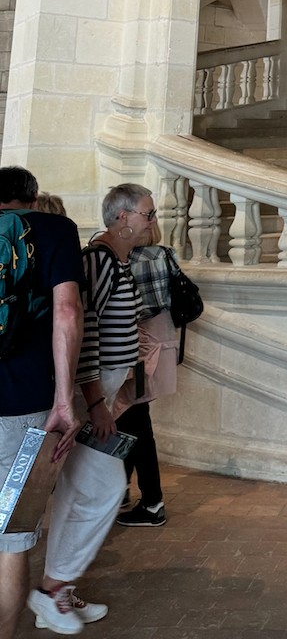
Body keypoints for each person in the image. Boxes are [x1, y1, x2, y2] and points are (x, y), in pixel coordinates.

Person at [30, 185, 156, 634]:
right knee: (104, 488)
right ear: (121, 218)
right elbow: (82, 336)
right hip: (90, 395)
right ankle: (51, 592)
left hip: (102, 391)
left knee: (74, 491)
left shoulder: (119, 262)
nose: (152, 220)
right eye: (146, 213)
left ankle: (55, 591)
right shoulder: (98, 262)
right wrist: (95, 403)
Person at [0, 167, 84, 639]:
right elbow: (67, 311)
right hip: (23, 402)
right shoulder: (53, 229)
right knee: (10, 541)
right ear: (32, 197)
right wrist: (64, 399)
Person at [112, 221, 179, 528]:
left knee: (133, 421)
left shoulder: (127, 261)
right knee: (133, 418)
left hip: (137, 352)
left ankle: (151, 501)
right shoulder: (166, 254)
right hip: (159, 349)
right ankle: (123, 492)